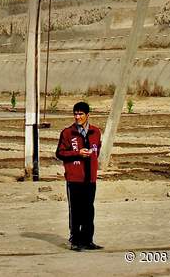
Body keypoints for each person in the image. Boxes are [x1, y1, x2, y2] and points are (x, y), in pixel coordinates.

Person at [55, 101, 103, 251]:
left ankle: (88, 240)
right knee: (75, 210)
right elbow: (60, 153)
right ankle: (75, 240)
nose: (77, 117)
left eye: (81, 114)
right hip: (74, 178)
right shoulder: (68, 133)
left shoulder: (96, 132)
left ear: (87, 115)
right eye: (75, 114)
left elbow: (97, 151)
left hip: (90, 178)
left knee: (89, 210)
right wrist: (77, 153)